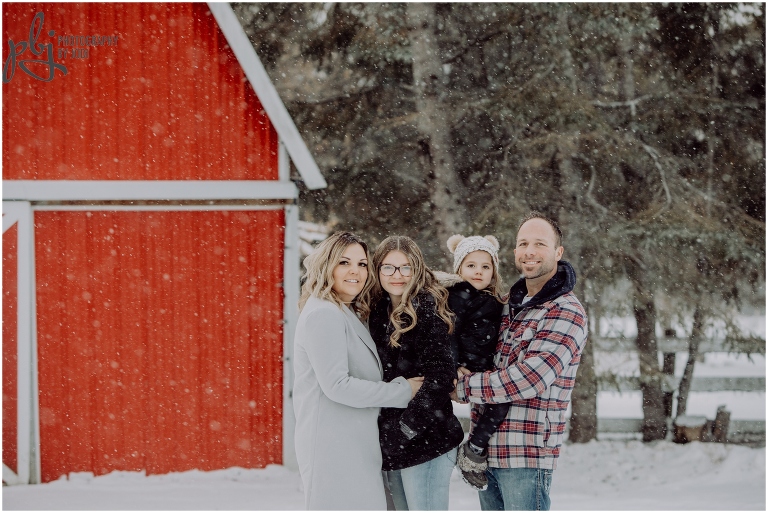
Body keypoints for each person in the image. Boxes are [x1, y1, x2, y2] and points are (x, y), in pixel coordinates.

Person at [452, 212, 588, 511]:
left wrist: (462, 386)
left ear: (558, 252)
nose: (529, 251)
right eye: (523, 243)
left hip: (526, 453)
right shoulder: (503, 304)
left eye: (540, 243)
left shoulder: (565, 310)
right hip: (484, 453)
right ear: (514, 251)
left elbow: (530, 378)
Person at [293, 231, 424, 511]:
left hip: (353, 444)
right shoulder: (324, 313)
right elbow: (337, 386)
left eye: (362, 264)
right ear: (327, 266)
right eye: (344, 262)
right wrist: (403, 391)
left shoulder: (345, 310)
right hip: (334, 447)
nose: (355, 271)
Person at [368, 235, 465, 511]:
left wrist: (406, 428)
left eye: (405, 267)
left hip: (428, 439)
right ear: (378, 270)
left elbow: (440, 377)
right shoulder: (377, 311)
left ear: (417, 269)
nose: (397, 275)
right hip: (393, 444)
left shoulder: (426, 309)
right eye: (388, 267)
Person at [435, 234, 507, 491]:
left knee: (498, 404)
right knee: (499, 403)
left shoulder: (492, 298)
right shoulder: (457, 296)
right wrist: (453, 368)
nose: (479, 271)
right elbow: (450, 333)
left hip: (485, 365)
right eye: (471, 265)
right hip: (468, 365)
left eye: (485, 266)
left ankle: (474, 447)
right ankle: (471, 449)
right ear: (459, 269)